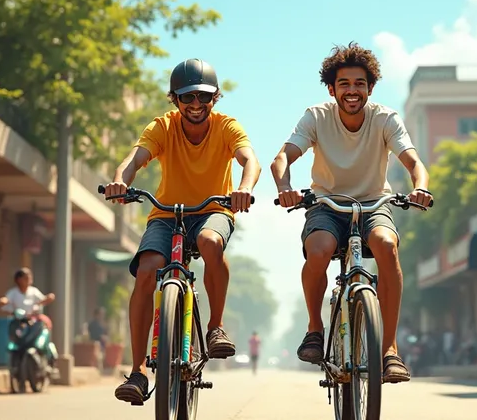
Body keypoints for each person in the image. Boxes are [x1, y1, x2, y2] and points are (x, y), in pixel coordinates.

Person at [271, 42, 433, 384]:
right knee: (319, 250)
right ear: (332, 89)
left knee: (387, 247)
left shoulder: (385, 118)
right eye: (344, 84)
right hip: (327, 205)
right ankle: (315, 329)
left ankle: (389, 350)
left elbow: (413, 162)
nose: (352, 90)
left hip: (374, 204)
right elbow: (282, 158)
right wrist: (285, 187)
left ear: (370, 88)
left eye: (359, 83)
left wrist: (420, 186)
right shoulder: (316, 116)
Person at [103, 58, 261, 405]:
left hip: (213, 210)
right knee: (146, 272)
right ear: (174, 99)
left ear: (215, 98)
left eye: (203, 97)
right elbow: (133, 159)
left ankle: (215, 326)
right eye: (187, 97)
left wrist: (244, 188)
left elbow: (250, 159)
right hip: (166, 215)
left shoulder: (226, 126)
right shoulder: (163, 126)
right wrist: (119, 181)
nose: (195, 105)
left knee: (209, 242)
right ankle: (138, 370)